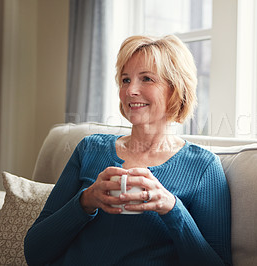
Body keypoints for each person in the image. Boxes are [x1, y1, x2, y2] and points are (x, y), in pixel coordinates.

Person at [24, 35, 232, 265]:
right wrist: (86, 200)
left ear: (175, 89)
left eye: (146, 79)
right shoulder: (89, 149)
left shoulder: (203, 167)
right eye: (125, 80)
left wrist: (171, 208)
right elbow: (34, 251)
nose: (130, 90)